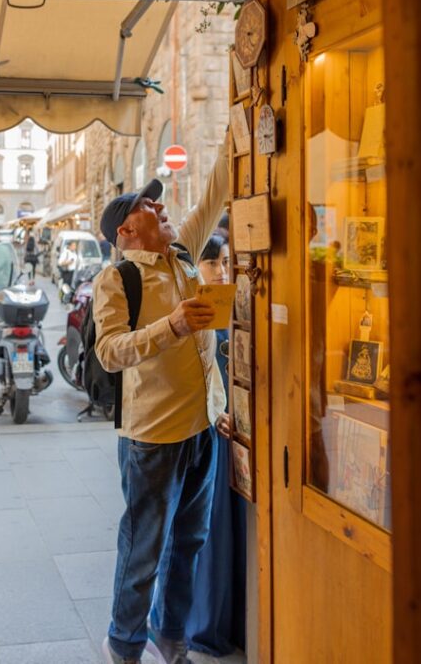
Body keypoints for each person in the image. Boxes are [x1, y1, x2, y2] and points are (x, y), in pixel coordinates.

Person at [92, 138, 229, 664]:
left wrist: (238, 122)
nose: (161, 206)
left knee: (190, 543)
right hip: (151, 437)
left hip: (202, 426)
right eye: (149, 207)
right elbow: (108, 351)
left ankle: (171, 639)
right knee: (143, 551)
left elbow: (216, 190)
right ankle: (123, 646)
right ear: (126, 232)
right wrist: (170, 326)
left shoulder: (184, 256)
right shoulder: (117, 279)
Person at [153, 232, 246, 657]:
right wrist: (215, 412)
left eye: (226, 262)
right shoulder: (193, 310)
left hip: (233, 428)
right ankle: (189, 623)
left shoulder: (233, 304)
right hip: (205, 428)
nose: (222, 271)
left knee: (218, 529)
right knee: (200, 533)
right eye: (214, 264)